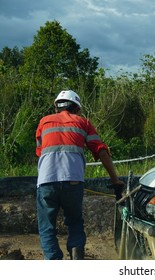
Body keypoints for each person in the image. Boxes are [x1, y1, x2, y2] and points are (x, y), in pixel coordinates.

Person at [35, 90, 125, 260]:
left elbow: (40, 152)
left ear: (57, 107)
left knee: (47, 227)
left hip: (46, 182)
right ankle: (77, 261)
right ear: (76, 108)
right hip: (73, 181)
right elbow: (101, 151)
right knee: (75, 222)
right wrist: (115, 180)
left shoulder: (43, 123)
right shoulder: (83, 123)